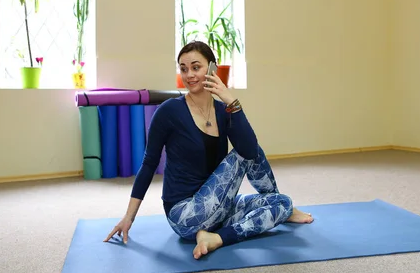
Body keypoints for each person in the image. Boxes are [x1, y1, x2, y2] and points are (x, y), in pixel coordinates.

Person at [104, 41, 313, 259]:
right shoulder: (169, 111)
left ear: (212, 69)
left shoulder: (224, 110)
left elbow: (251, 147)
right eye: (183, 69)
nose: (189, 75)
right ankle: (217, 233)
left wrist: (231, 101)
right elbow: (148, 164)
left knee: (283, 202)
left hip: (220, 209)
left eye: (196, 67)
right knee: (245, 151)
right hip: (185, 215)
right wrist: (129, 216)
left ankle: (217, 237)